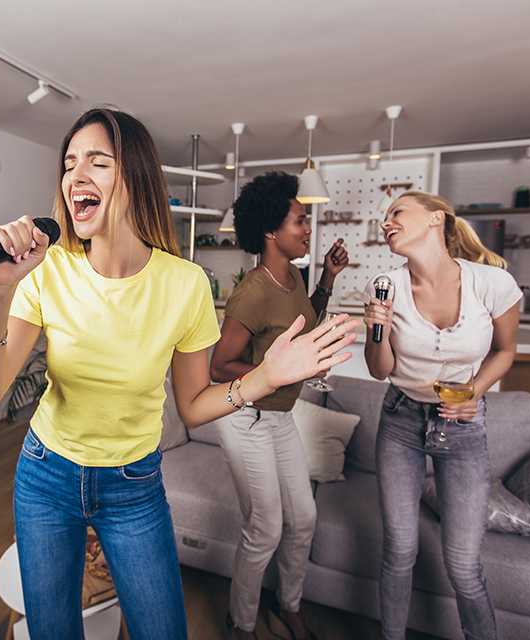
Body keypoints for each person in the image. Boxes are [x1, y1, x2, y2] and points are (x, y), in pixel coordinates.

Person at [0, 107, 361, 640]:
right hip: (46, 476)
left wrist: (266, 377)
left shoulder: (185, 284)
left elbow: (194, 402)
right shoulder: (45, 269)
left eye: (98, 163)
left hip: (133, 484)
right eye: (69, 163)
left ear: (135, 178)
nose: (75, 176)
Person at [363, 191, 521, 640]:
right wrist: (378, 325)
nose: (387, 223)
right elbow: (380, 370)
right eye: (385, 218)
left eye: (396, 212)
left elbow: (506, 351)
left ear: (436, 218)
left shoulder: (492, 283)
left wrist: (474, 390)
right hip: (400, 419)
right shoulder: (386, 285)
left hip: (463, 423)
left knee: (464, 564)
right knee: (398, 550)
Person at [209, 172, 349, 640]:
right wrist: (271, 375)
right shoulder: (253, 291)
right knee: (265, 528)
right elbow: (219, 365)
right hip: (245, 419)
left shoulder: (292, 277)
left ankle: (289, 604)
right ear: (272, 231)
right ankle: (241, 623)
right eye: (300, 221)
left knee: (304, 517)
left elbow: (302, 322)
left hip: (281, 418)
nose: (307, 229)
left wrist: (327, 278)